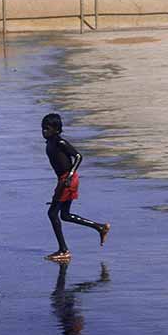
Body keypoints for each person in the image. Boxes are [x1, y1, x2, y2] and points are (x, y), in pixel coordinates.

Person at [42, 113, 110, 263]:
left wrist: (70, 175)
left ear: (56, 129)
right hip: (63, 180)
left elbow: (78, 156)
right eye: (42, 129)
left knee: (53, 214)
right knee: (64, 215)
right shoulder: (49, 143)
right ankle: (100, 227)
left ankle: (64, 250)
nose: (44, 132)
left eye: (47, 129)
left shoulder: (60, 142)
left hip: (68, 179)